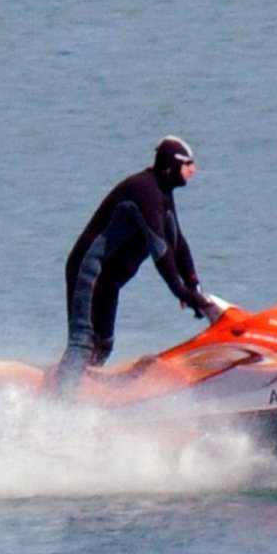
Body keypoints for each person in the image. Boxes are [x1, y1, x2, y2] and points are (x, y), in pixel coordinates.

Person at [54, 136, 218, 394]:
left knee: (103, 344)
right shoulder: (144, 192)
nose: (193, 170)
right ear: (170, 166)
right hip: (88, 271)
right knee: (83, 342)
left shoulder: (162, 193)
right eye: (188, 163)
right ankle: (60, 403)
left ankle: (82, 392)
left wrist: (194, 286)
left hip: (109, 281)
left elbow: (177, 242)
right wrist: (181, 291)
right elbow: (160, 250)